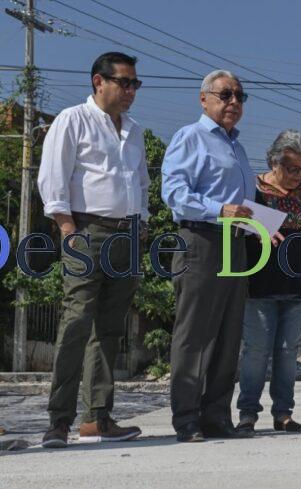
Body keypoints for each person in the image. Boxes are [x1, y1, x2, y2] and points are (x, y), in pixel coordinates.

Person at [37, 52, 147, 448]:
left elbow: (141, 182)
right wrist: (66, 227)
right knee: (76, 321)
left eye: (135, 83)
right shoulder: (73, 119)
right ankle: (59, 421)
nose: (131, 91)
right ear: (99, 82)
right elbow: (53, 176)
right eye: (124, 82)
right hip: (87, 229)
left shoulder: (133, 130)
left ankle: (97, 418)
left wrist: (142, 224)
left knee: (110, 329)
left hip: (127, 235)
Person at [161, 69, 256, 442]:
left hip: (237, 244)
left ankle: (217, 415)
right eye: (226, 94)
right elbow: (174, 193)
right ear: (204, 99)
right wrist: (220, 210)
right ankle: (186, 417)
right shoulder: (191, 137)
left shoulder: (238, 146)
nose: (234, 102)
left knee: (229, 333)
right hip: (200, 240)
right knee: (194, 334)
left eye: (239, 96)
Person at [235, 130, 301, 435]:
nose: (299, 175)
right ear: (274, 162)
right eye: (292, 168)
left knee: (287, 352)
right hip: (258, 284)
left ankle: (283, 413)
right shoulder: (252, 189)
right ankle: (247, 414)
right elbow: (235, 223)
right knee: (256, 351)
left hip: (299, 285)